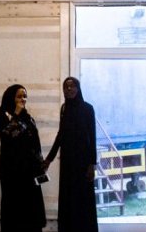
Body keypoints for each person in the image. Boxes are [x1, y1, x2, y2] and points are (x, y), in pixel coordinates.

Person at [44, 77, 98, 232]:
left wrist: (92, 164)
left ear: (78, 88)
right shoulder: (64, 109)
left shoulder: (88, 109)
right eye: (66, 87)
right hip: (67, 162)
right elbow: (61, 135)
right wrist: (49, 159)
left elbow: (92, 136)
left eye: (72, 86)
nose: (69, 89)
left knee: (83, 199)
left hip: (83, 162)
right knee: (68, 198)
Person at [0, 84, 46, 232]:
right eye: (19, 96)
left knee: (32, 205)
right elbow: (8, 137)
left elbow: (35, 142)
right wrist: (16, 115)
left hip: (30, 169)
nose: (23, 99)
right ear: (11, 98)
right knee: (14, 205)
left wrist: (41, 163)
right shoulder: (3, 116)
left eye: (25, 96)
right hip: (12, 169)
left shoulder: (28, 118)